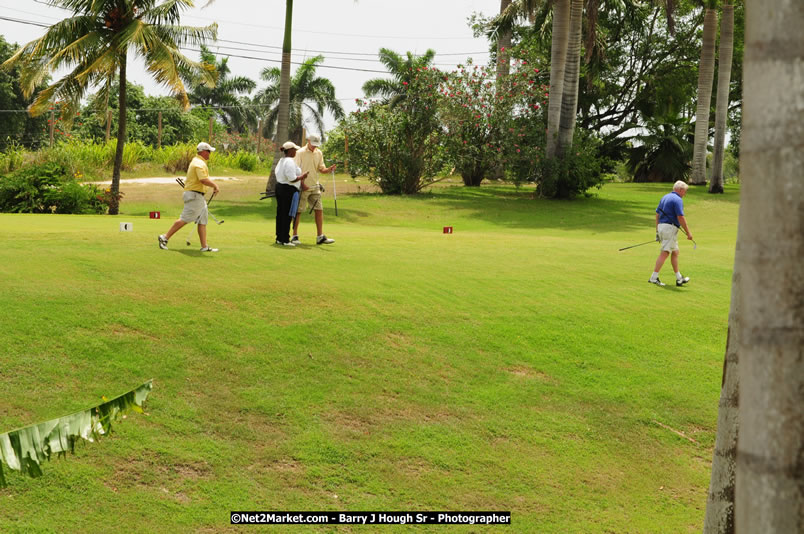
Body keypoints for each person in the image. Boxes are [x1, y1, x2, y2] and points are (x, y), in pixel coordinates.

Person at [158, 142, 220, 252]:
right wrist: (215, 185)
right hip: (194, 195)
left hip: (198, 196)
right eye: (209, 151)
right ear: (203, 151)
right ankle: (164, 237)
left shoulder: (199, 162)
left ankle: (204, 246)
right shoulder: (198, 164)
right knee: (185, 218)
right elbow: (203, 180)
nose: (210, 154)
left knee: (202, 220)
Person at [291, 134, 336, 245]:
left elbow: (321, 169)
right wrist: (302, 183)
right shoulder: (300, 152)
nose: (314, 147)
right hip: (303, 186)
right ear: (308, 141)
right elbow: (296, 171)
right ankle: (294, 236)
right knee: (298, 211)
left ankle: (320, 236)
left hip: (315, 186)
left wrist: (329, 169)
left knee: (319, 209)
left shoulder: (319, 153)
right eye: (313, 144)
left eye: (316, 145)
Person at [649, 180, 694, 287]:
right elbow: (680, 217)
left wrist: (657, 231)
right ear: (680, 189)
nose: (685, 194)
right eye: (685, 191)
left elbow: (657, 214)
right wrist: (688, 232)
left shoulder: (665, 197)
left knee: (675, 252)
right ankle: (653, 278)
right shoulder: (677, 199)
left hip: (662, 226)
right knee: (665, 252)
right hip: (670, 228)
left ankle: (679, 278)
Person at [275, 141, 308, 247]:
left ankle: (280, 237)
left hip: (280, 188)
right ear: (290, 151)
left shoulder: (282, 160)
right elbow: (292, 178)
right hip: (287, 190)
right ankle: (285, 239)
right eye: (294, 150)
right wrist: (302, 177)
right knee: (287, 215)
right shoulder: (289, 161)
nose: (296, 151)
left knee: (281, 214)